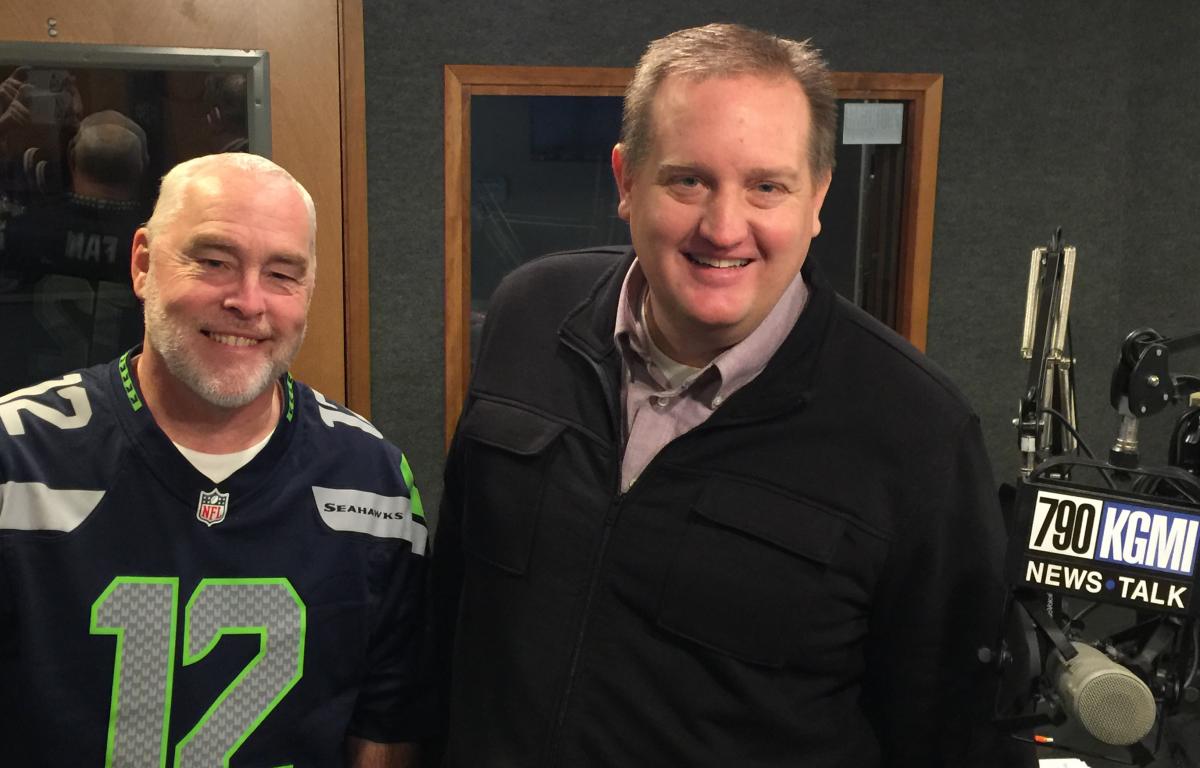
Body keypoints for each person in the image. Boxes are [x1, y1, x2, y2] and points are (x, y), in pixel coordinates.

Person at [434, 22, 1023, 767]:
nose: (723, 227)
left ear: (818, 198)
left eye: (766, 187)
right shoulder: (529, 315)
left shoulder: (918, 432)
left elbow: (955, 739)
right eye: (689, 180)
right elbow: (450, 605)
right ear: (626, 181)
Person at [0, 153, 434, 766]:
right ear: (143, 264)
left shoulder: (372, 483)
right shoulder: (18, 456)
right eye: (213, 261)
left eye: (282, 273)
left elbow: (387, 724)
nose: (249, 301)